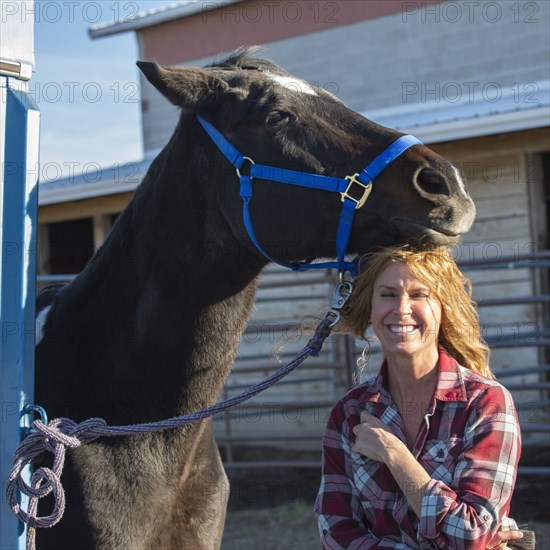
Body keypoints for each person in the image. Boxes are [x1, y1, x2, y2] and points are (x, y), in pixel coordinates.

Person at [315, 246, 529, 549]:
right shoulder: (349, 413)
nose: (402, 308)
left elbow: (472, 532)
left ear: (443, 308)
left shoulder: (486, 403)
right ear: (371, 307)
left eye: (419, 294)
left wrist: (395, 455)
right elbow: (335, 532)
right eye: (388, 294)